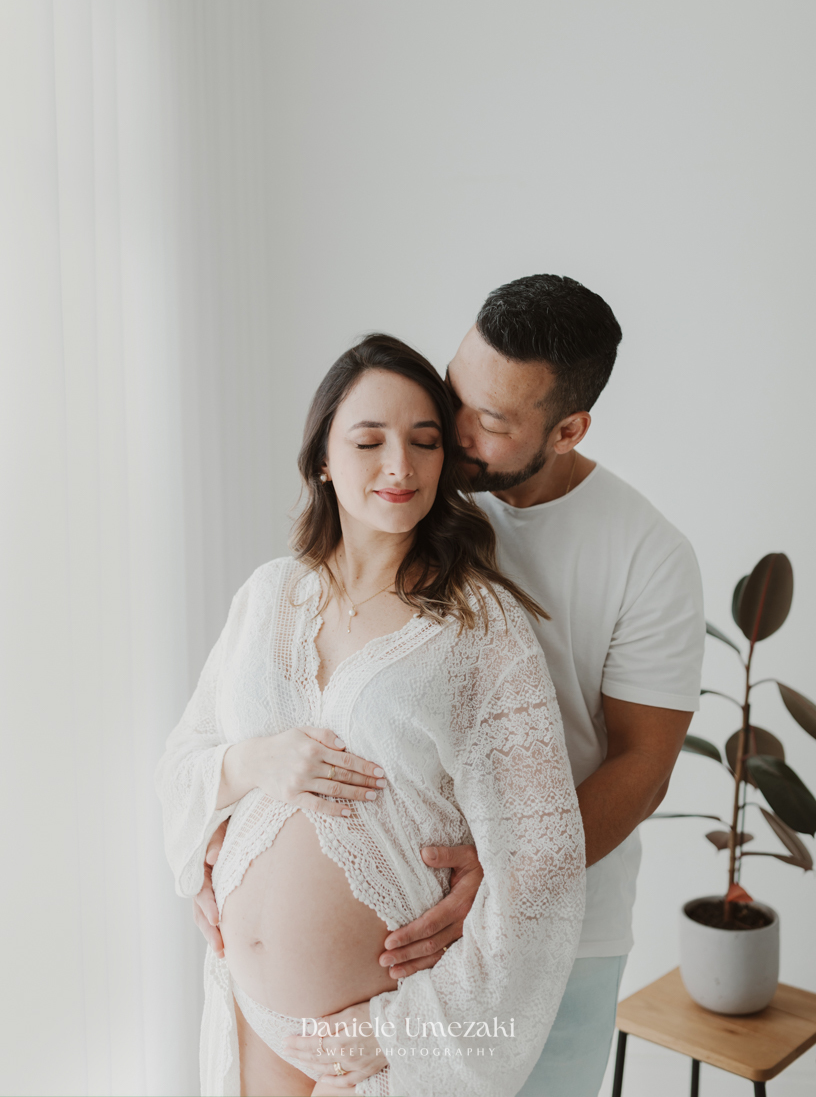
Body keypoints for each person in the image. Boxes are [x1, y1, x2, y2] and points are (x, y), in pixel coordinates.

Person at [195, 275, 706, 1097]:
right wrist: (220, 825)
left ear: (567, 429)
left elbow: (645, 763)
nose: (452, 435)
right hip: (315, 984)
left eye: (490, 422)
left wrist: (501, 873)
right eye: (455, 397)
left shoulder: (645, 555)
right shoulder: (404, 501)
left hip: (547, 930)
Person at [156, 333, 586, 1097]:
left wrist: (401, 1031)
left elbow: (540, 861)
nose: (400, 466)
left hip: (383, 1033)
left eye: (425, 441)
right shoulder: (268, 595)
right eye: (369, 441)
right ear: (323, 456)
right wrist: (248, 767)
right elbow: (188, 755)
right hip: (249, 1008)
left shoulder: (479, 626)